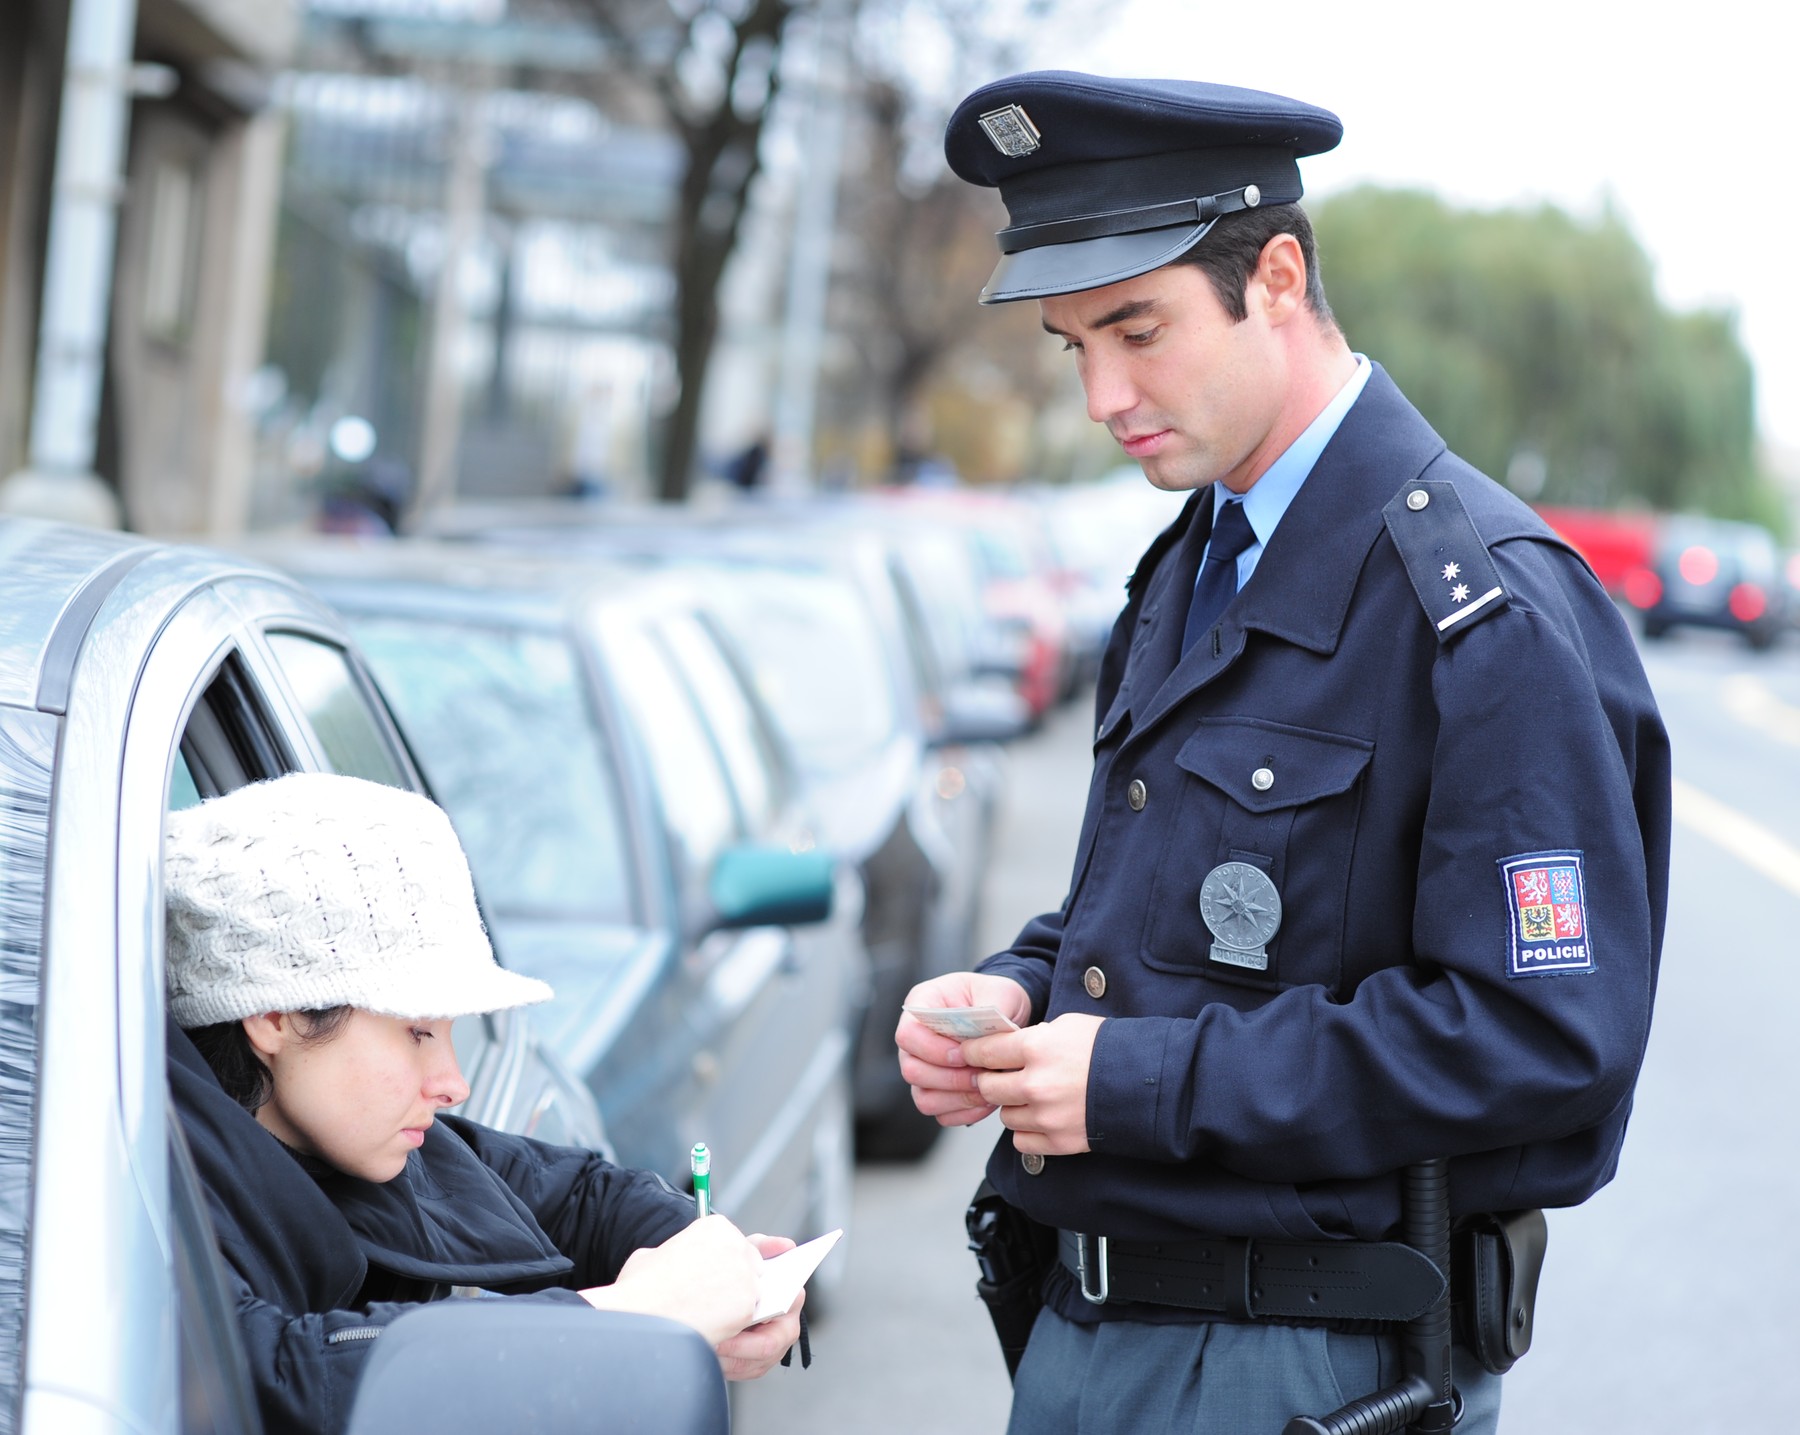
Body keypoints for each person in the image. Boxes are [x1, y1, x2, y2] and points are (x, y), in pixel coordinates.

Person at [895, 72, 1670, 1434]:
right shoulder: (1194, 558)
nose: (1102, 394)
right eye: (1076, 344)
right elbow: (1166, 911)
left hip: (1298, 1361)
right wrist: (1019, 995)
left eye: (1137, 328)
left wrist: (1134, 1077)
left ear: (1277, 273)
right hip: (1093, 1332)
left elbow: (1546, 1034)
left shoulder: (1481, 606)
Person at [164, 772, 804, 1435]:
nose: (454, 1082)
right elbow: (272, 1378)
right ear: (275, 1016)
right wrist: (623, 1313)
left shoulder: (357, 1135)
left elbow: (578, 1195)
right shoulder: (148, 1199)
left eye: (451, 1033)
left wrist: (707, 1258)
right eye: (417, 1032)